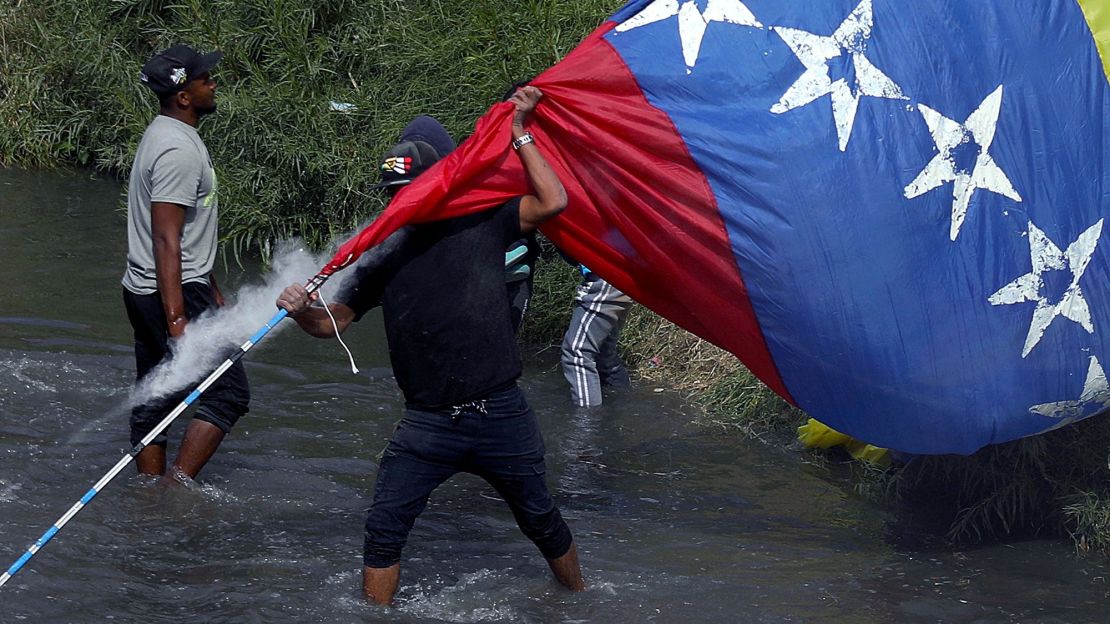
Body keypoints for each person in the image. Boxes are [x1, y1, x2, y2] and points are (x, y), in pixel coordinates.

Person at [276, 87, 585, 604]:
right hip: (427, 422)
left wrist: (520, 133)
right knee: (383, 528)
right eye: (395, 195)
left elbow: (554, 201)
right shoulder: (382, 252)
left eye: (412, 190)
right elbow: (333, 324)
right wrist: (300, 307)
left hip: (499, 412)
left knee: (541, 519)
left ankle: (582, 600)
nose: (403, 203)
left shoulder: (485, 220)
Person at [122, 44, 249, 479]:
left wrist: (215, 290)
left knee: (155, 396)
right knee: (227, 393)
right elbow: (166, 239)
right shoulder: (178, 151)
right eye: (205, 79)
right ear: (183, 96)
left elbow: (187, 232)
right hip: (173, 292)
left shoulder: (166, 134)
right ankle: (178, 490)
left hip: (149, 288)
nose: (214, 84)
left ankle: (150, 494)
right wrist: (178, 321)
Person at [560, 266, 634, 407]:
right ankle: (626, 407)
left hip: (606, 276)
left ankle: (588, 422)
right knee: (604, 354)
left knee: (577, 354)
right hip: (621, 276)